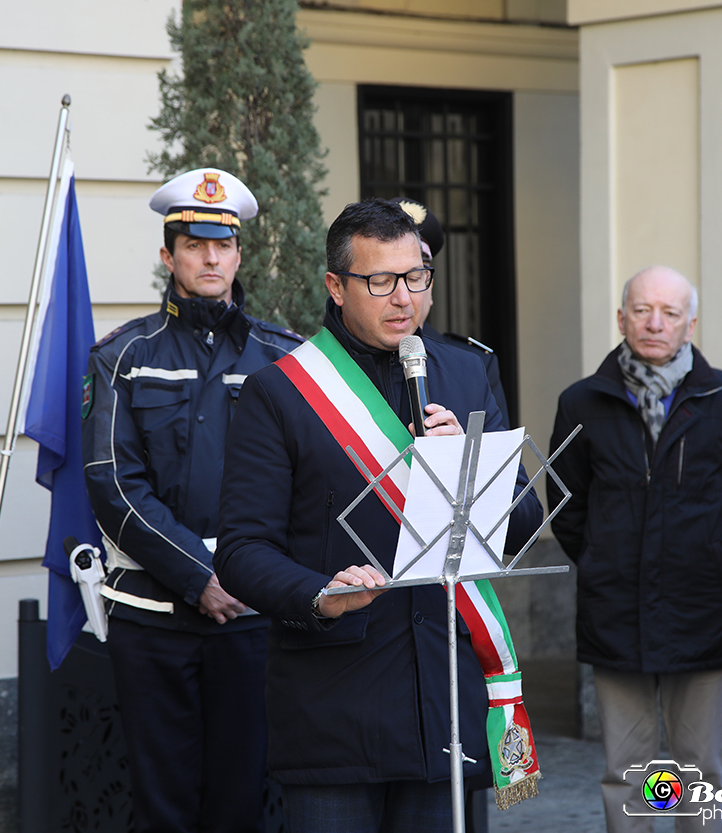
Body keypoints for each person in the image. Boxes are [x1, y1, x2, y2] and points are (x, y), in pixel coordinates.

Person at [214, 198, 544, 833]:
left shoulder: (469, 372)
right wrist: (316, 592)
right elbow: (242, 550)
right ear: (337, 287)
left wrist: (467, 471)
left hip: (446, 692)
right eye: (381, 281)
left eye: (416, 277)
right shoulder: (281, 392)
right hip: (338, 700)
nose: (405, 299)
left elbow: (523, 520)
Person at [81, 168, 303, 833]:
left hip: (253, 618)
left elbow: (304, 477)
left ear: (239, 253)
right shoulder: (123, 356)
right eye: (194, 243)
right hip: (152, 617)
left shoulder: (284, 356)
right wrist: (199, 575)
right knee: (163, 808)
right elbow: (113, 482)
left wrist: (248, 576)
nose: (211, 257)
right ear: (168, 254)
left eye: (223, 244)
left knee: (242, 803)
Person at [547, 265, 722, 833]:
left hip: (703, 613)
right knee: (632, 773)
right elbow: (566, 506)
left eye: (669, 313)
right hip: (616, 613)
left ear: (690, 323)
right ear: (621, 318)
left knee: (698, 772)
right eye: (642, 310)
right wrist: (603, 562)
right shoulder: (582, 403)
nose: (654, 323)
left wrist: (721, 568)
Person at [388, 197, 510, 426]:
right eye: (384, 279)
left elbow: (504, 459)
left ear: (429, 284)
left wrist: (459, 449)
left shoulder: (472, 364)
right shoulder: (327, 364)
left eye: (415, 275)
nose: (402, 294)